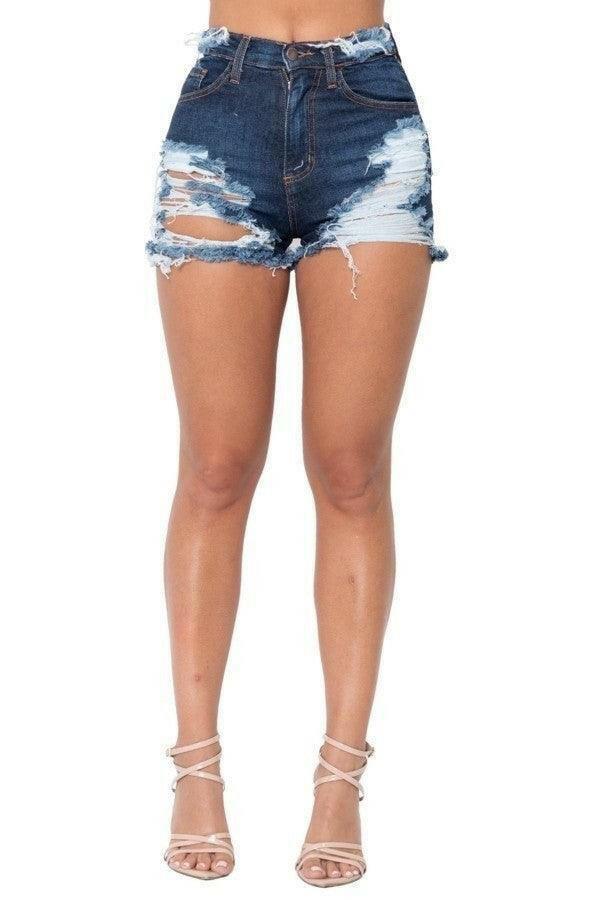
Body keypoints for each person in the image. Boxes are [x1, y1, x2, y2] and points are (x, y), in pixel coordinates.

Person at [148, 0, 446, 885]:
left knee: (352, 469)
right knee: (216, 465)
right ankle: (196, 767)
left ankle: (340, 779)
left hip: (367, 110)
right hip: (224, 106)